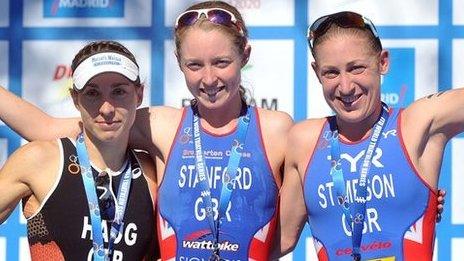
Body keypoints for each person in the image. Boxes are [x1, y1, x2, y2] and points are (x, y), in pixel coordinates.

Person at [0, 2, 293, 260]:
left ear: (245, 55)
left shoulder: (277, 129)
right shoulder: (162, 125)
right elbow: (46, 127)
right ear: (179, 63)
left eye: (221, 62)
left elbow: (289, 235)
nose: (209, 78)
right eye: (194, 65)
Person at [275, 11, 462, 260]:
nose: (345, 86)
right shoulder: (304, 140)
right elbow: (281, 240)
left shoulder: (416, 124)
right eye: (331, 72)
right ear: (316, 72)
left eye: (356, 68)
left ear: (382, 62)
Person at [0, 40, 159, 260]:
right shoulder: (41, 161)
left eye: (119, 92)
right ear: (76, 98)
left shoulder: (153, 174)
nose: (106, 109)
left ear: (139, 95)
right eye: (93, 94)